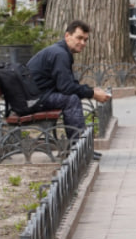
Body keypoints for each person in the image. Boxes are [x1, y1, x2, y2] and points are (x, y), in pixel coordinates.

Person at [27, 19, 113, 159]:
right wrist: (92, 94)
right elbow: (66, 88)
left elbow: (68, 84)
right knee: (70, 100)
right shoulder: (60, 54)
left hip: (35, 97)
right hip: (32, 101)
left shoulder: (61, 52)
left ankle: (81, 148)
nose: (83, 43)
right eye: (79, 38)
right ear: (67, 36)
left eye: (85, 40)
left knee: (71, 97)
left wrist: (90, 90)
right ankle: (80, 150)